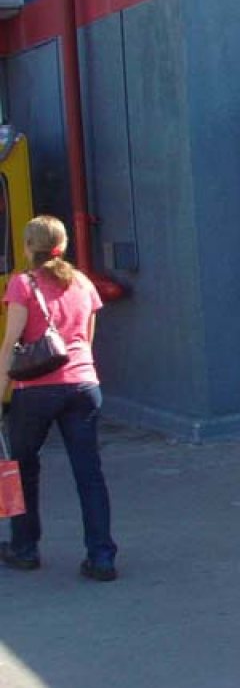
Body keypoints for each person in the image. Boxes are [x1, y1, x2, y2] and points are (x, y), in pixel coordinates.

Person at [0, 215, 117, 581]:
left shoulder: (23, 284)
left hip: (35, 390)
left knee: (23, 468)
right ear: (62, 246)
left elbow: (10, 345)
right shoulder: (82, 282)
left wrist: (1, 392)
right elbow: (86, 339)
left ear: (27, 247)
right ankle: (102, 557)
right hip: (83, 385)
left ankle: (25, 549)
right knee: (89, 472)